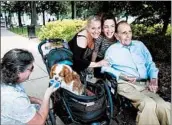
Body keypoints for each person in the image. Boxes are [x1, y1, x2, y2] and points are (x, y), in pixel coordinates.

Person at [102, 21, 171, 125]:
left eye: (129, 31)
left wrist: (153, 79)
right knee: (148, 104)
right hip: (126, 85)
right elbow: (104, 68)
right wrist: (121, 75)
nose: (128, 35)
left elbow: (149, 63)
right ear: (116, 35)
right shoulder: (112, 50)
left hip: (144, 85)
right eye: (124, 32)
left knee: (164, 106)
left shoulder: (140, 45)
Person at [1, 49, 58, 125]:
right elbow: (39, 122)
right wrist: (47, 95)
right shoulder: (15, 99)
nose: (32, 71)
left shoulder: (8, 79)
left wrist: (36, 100)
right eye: (31, 68)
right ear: (18, 72)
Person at [91, 13, 117, 78]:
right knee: (99, 79)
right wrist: (92, 65)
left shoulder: (117, 37)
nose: (109, 30)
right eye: (106, 27)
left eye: (112, 26)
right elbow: (95, 52)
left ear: (115, 27)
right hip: (100, 60)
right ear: (102, 28)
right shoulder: (100, 38)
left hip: (113, 61)